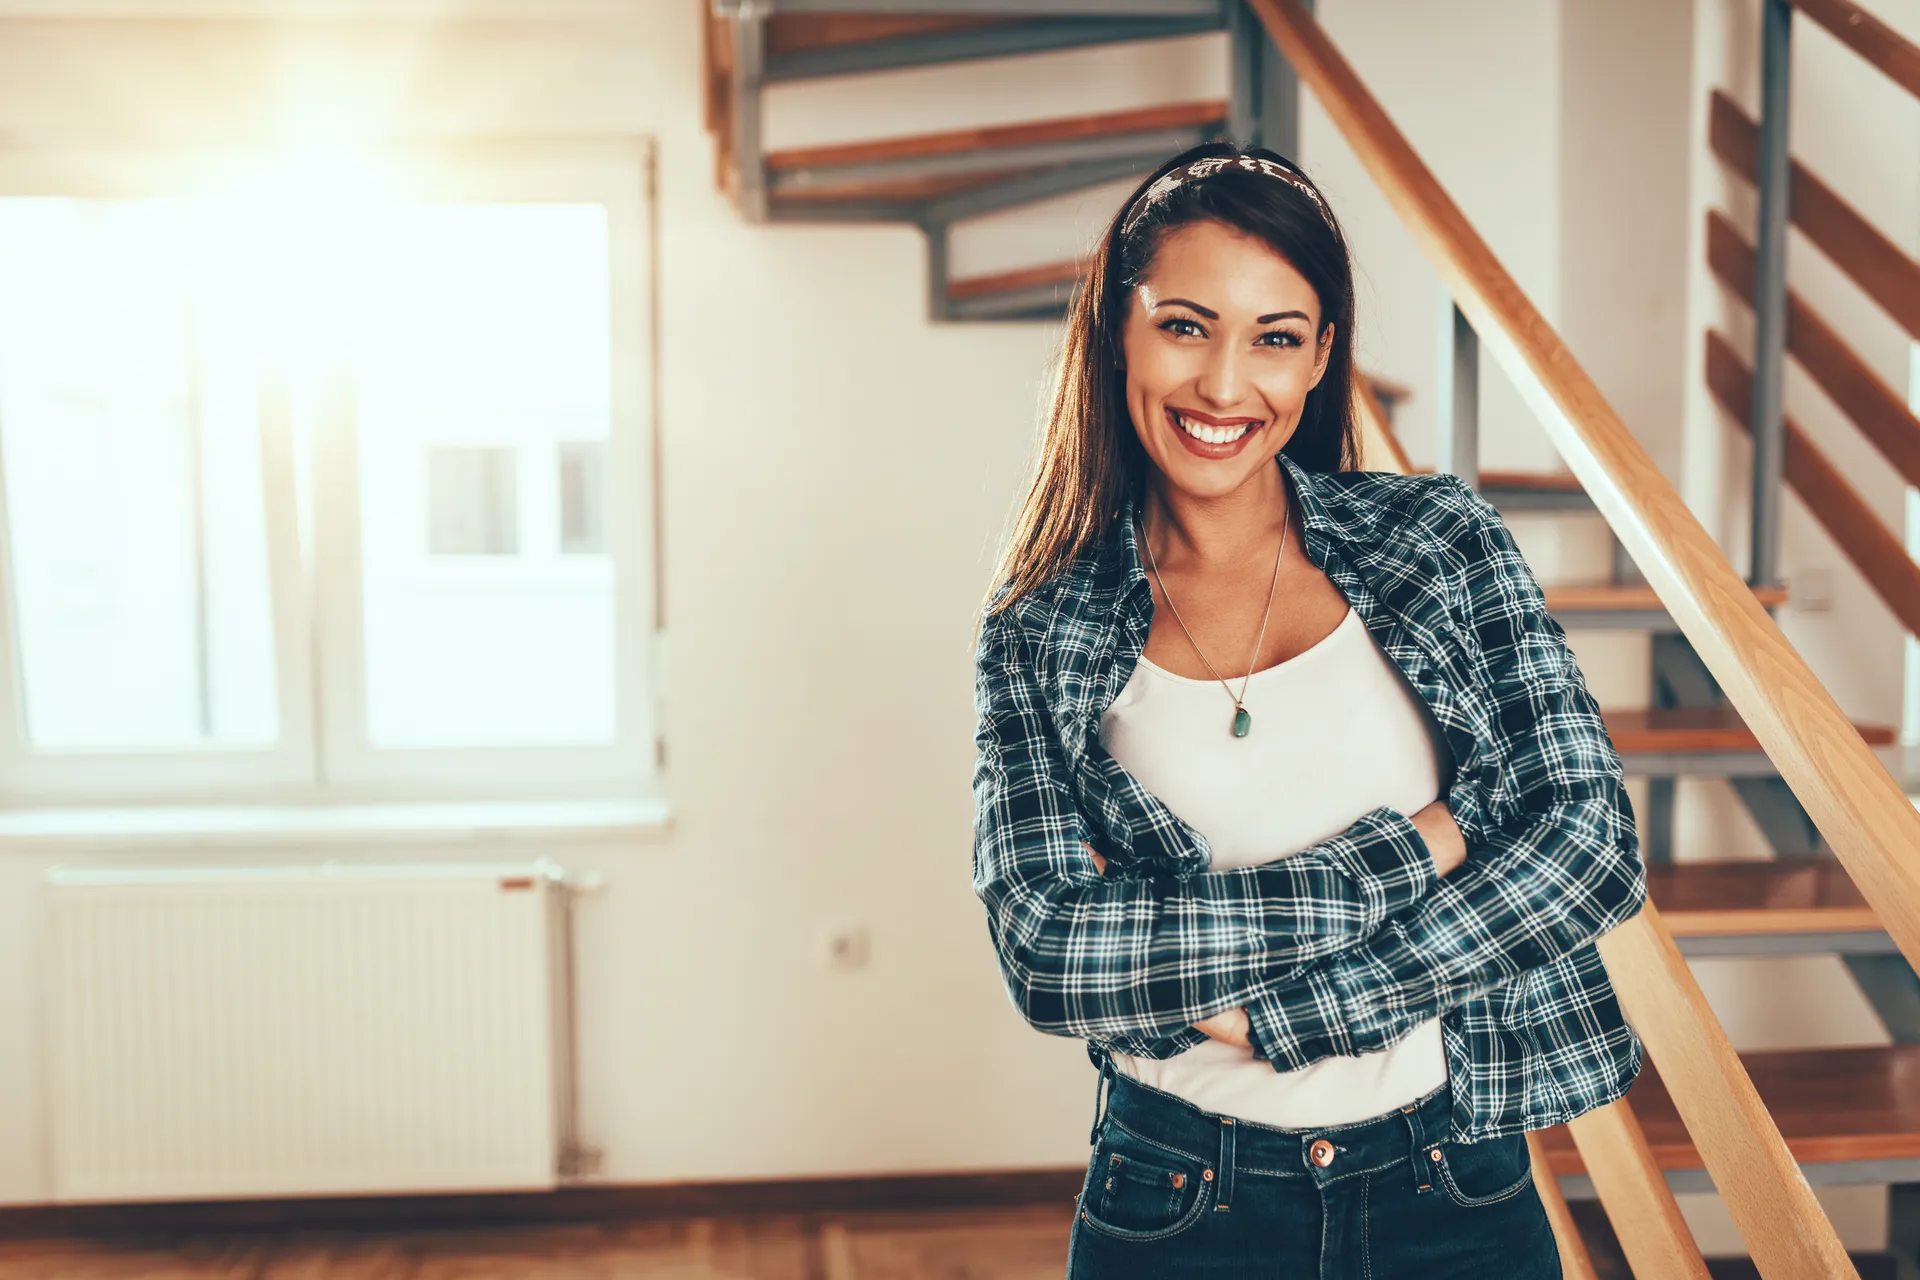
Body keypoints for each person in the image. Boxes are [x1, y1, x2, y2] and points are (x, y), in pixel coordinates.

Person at [969, 141, 1647, 1278]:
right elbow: (1052, 951)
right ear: (1116, 332)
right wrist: (1419, 848)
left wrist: (1298, 1010)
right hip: (1180, 1198)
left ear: (1322, 354)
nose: (1226, 386)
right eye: (1186, 325)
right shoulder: (1041, 627)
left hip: (1456, 1185)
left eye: (1275, 337)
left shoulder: (1438, 542)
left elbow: (1589, 844)